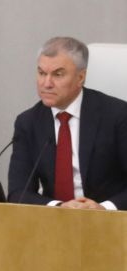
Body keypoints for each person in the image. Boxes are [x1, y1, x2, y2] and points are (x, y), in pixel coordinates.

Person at [7, 37, 127, 211]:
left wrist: (104, 209)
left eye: (58, 74)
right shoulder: (28, 122)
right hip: (53, 224)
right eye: (41, 73)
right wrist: (60, 207)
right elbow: (18, 192)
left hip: (112, 224)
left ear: (81, 77)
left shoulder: (118, 115)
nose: (46, 83)